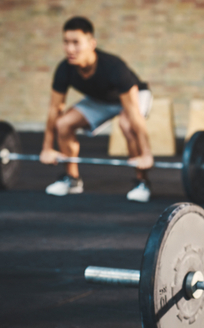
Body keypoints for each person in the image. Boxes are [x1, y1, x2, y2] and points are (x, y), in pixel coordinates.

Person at [39, 16, 154, 202]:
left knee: (127, 124)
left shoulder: (114, 67)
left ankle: (142, 182)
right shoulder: (64, 69)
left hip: (134, 96)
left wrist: (147, 154)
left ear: (92, 43)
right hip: (100, 100)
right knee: (63, 124)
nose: (70, 49)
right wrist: (46, 148)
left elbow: (133, 113)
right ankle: (72, 180)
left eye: (76, 43)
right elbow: (54, 109)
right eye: (66, 42)